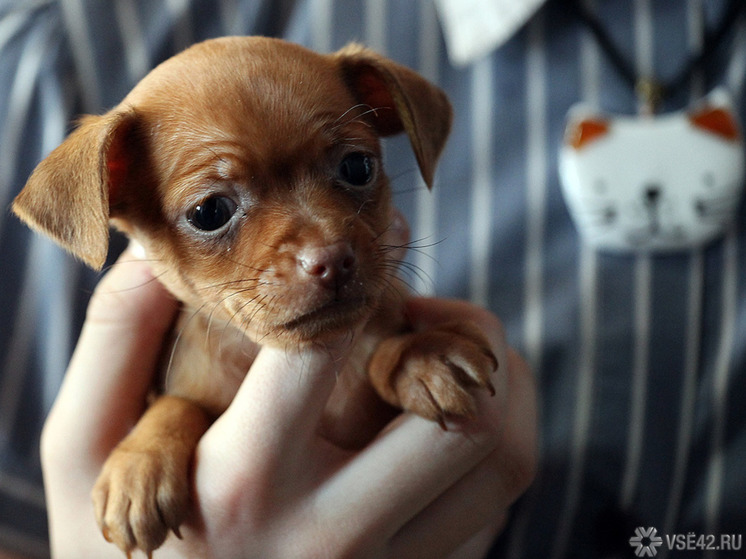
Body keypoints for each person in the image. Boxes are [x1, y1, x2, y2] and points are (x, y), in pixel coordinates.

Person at [1, 0, 744, 557]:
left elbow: (385, 346)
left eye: (354, 169)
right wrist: (154, 439)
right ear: (122, 200)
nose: (325, 242)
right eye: (213, 210)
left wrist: (405, 358)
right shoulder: (56, 50)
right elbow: (179, 411)